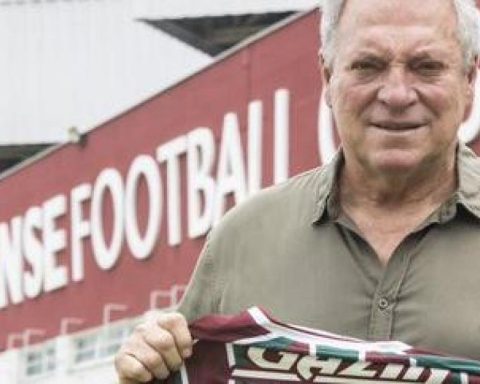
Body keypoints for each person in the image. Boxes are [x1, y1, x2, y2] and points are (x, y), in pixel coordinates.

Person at [115, 0, 480, 382]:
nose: (396, 94)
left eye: (427, 67)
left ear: (469, 80)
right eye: (368, 66)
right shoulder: (245, 238)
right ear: (327, 76)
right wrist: (146, 367)